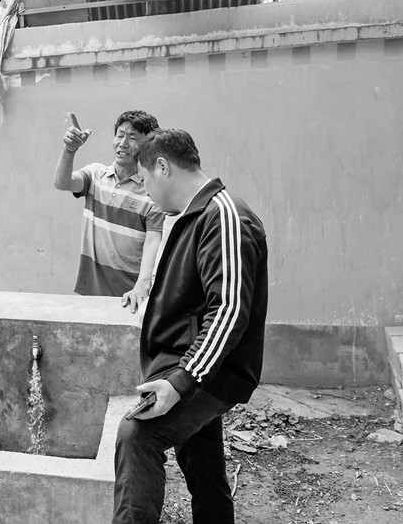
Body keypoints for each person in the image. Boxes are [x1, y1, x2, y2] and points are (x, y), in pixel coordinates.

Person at [113, 129, 268, 524]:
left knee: (137, 436)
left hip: (206, 374)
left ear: (162, 167)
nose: (146, 192)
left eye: (145, 180)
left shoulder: (225, 216)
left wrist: (182, 381)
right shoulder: (200, 214)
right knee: (201, 459)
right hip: (191, 366)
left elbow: (229, 309)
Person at [53, 110, 164, 308]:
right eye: (120, 135)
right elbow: (62, 182)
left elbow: (153, 242)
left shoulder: (151, 192)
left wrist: (142, 286)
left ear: (148, 145)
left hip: (130, 300)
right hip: (90, 294)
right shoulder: (96, 175)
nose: (123, 143)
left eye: (132, 138)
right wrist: (69, 150)